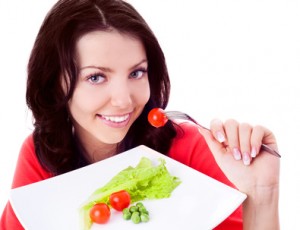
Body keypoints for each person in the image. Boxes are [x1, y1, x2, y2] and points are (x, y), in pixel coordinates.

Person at [0, 0, 280, 229]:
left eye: (136, 72)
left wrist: (262, 195)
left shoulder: (191, 145)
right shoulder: (40, 155)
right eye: (96, 77)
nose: (124, 101)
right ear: (54, 83)